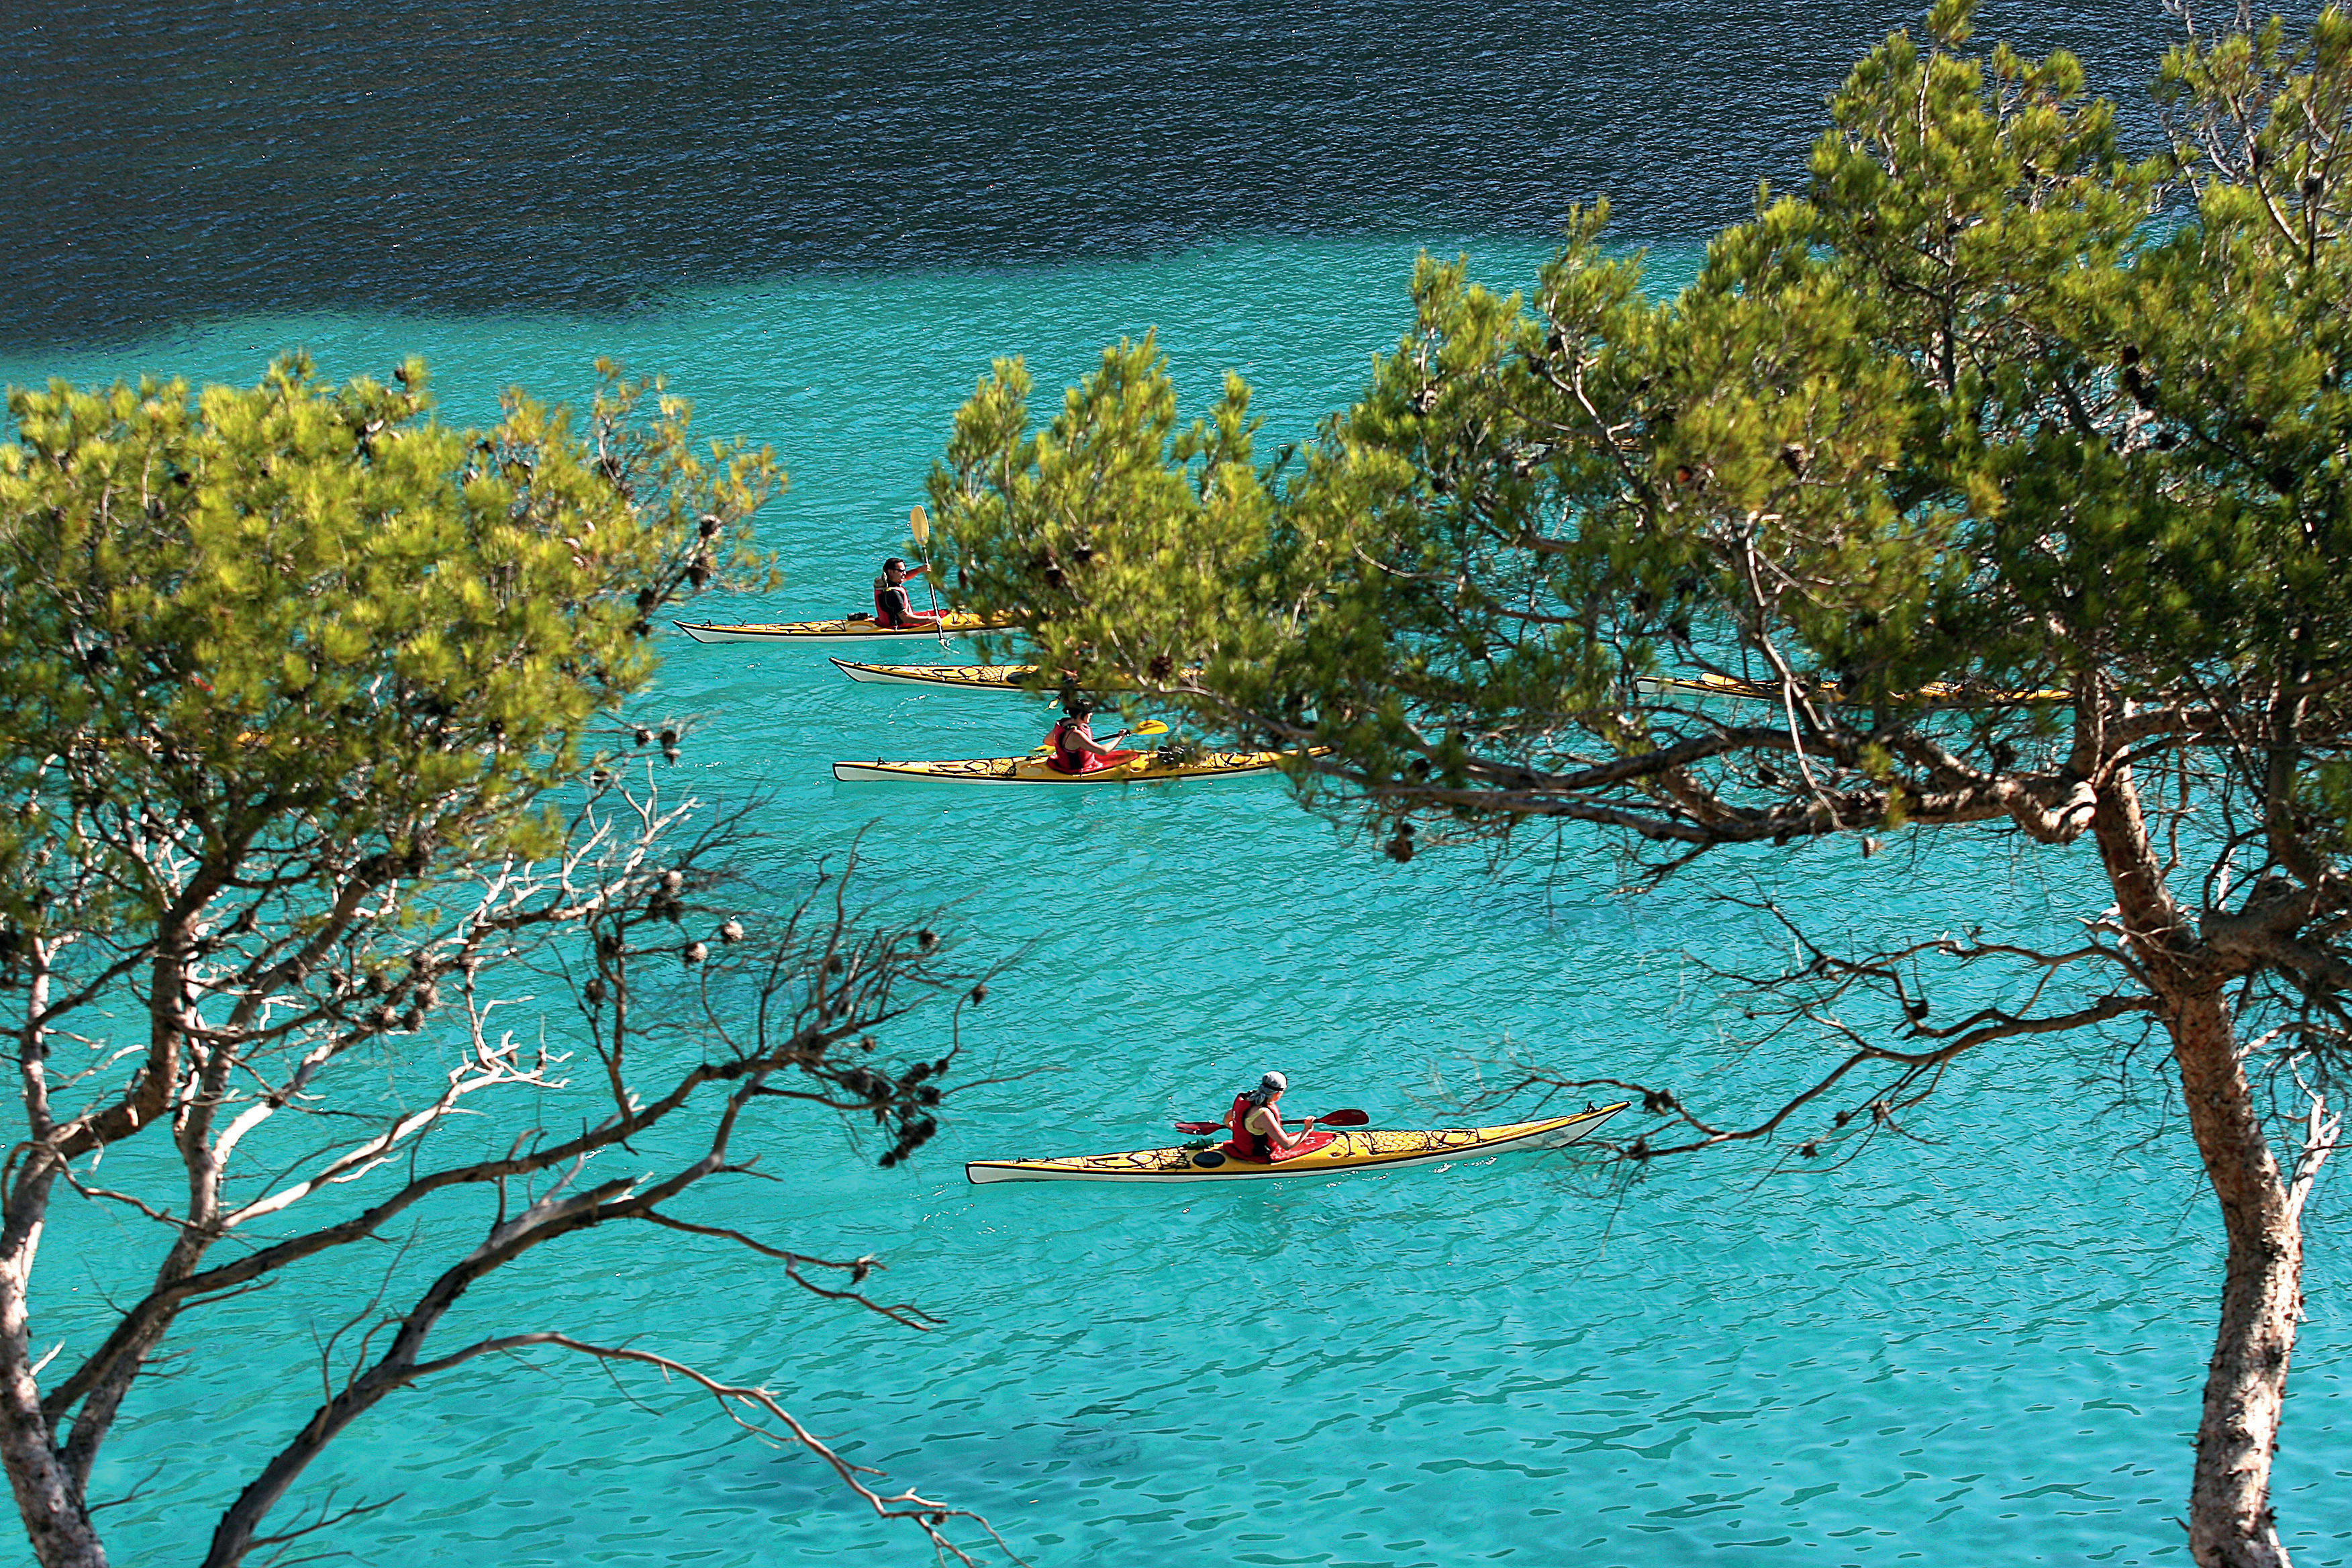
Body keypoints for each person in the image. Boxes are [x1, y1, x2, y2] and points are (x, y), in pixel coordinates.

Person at [1221, 1071, 1319, 1161]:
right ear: (1278, 1093)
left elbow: (1227, 1120)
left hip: (1237, 1148)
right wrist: (1307, 1130)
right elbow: (1287, 1145)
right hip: (1256, 1155)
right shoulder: (1264, 1114)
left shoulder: (1246, 1100)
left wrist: (1238, 1130)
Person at [1042, 696, 1141, 775]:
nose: (1092, 714)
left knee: (1129, 754)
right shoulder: (1076, 734)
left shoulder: (1063, 723)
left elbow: (1047, 741)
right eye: (1090, 712)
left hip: (1061, 763)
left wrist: (1068, 747)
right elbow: (1103, 751)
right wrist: (1120, 737)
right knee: (1129, 756)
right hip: (1077, 769)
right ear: (1082, 714)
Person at [871, 557, 942, 630]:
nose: (904, 573)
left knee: (943, 613)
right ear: (890, 572)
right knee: (940, 616)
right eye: (901, 571)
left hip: (889, 621)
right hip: (900, 625)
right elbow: (906, 619)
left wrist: (920, 569)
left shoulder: (884, 583)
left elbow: (906, 577)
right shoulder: (893, 594)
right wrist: (931, 619)